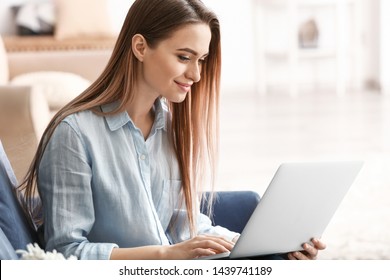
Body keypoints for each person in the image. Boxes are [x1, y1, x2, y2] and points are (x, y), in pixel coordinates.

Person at [19, 0, 326, 260]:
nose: (195, 74)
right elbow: (66, 251)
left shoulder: (169, 127)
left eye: (201, 60)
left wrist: (262, 248)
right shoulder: (74, 134)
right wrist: (166, 255)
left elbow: (177, 225)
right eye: (183, 57)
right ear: (140, 47)